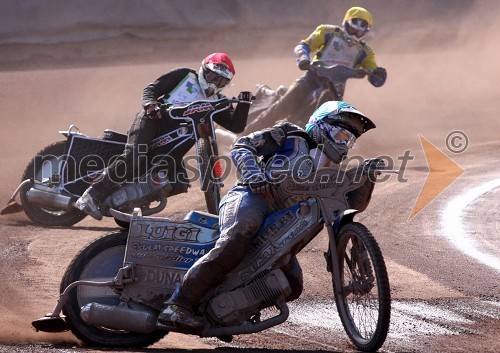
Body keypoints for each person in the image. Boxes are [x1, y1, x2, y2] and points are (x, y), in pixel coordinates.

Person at [157, 100, 376, 330]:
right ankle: (178, 305)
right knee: (239, 235)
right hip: (252, 196)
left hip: (284, 225)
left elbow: (351, 207)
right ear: (322, 126)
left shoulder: (334, 171)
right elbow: (243, 146)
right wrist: (254, 175)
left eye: (349, 141)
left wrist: (366, 176)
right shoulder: (290, 135)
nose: (344, 145)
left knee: (293, 285)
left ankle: (225, 313)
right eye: (341, 135)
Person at [75, 52, 252, 220]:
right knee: (134, 157)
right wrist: (150, 105)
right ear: (203, 70)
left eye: (221, 81)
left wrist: (244, 104)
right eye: (213, 77)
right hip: (152, 122)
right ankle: (90, 196)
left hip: (173, 140)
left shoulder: (216, 101)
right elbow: (151, 89)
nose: (214, 84)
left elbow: (236, 126)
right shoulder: (185, 76)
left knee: (179, 182)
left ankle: (128, 202)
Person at [254, 6, 387, 128]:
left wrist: (379, 75)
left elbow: (374, 76)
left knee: (337, 123)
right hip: (311, 80)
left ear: (366, 32)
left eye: (359, 31)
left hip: (336, 89)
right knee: (282, 108)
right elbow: (303, 45)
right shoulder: (328, 32)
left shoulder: (365, 52)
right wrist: (303, 59)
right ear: (346, 23)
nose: (355, 33)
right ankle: (243, 137)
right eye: (353, 28)